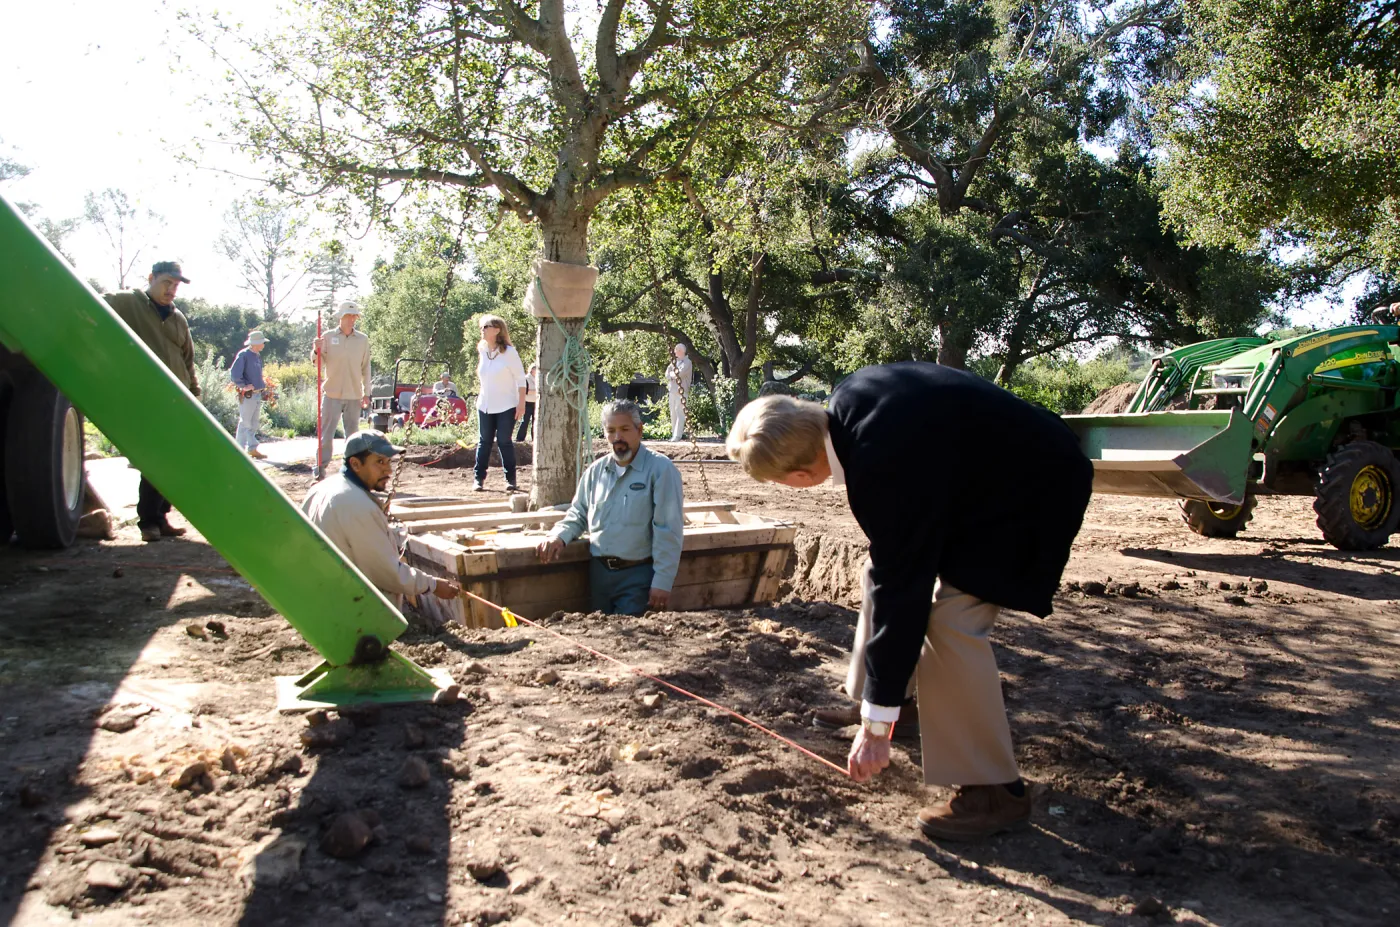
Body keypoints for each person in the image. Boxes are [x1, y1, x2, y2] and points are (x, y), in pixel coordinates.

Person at [725, 362, 1093, 841]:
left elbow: (906, 589)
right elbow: (896, 561)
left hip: (1036, 488)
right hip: (990, 475)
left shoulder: (880, 466)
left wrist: (876, 731)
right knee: (879, 569)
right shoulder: (850, 399)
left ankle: (994, 791)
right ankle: (890, 700)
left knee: (953, 617)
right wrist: (879, 704)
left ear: (799, 474)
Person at [537, 399, 684, 615]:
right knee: (601, 630)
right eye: (611, 431)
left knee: (629, 634)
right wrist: (558, 536)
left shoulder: (661, 470)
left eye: (625, 429)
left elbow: (668, 529)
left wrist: (663, 580)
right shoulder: (595, 472)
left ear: (639, 430)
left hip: (638, 577)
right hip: (599, 576)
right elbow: (578, 514)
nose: (618, 437)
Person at [301, 430, 461, 606]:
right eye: (379, 462)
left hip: (317, 597)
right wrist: (432, 585)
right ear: (355, 464)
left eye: (388, 461)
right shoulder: (357, 505)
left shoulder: (321, 489)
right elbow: (385, 571)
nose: (388, 470)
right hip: (347, 607)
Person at [104, 261, 200, 542]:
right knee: (155, 460)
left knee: (174, 461)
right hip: (146, 398)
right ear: (151, 278)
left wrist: (194, 394)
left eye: (176, 285)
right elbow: (88, 306)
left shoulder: (178, 318)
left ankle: (161, 516)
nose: (171, 290)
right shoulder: (127, 302)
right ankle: (148, 521)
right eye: (167, 283)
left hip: (178, 400)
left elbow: (188, 360)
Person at [312, 300, 371, 479]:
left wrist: (367, 393)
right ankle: (319, 470)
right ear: (341, 317)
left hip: (354, 394)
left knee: (353, 437)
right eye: (348, 316)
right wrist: (316, 350)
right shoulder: (327, 337)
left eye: (354, 316)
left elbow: (366, 368)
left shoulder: (363, 340)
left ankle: (351, 472)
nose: (352, 319)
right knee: (326, 436)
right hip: (332, 393)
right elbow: (317, 362)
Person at [472, 314, 527, 492]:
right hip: (485, 405)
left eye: (486, 326)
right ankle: (478, 479)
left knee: (504, 441)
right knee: (484, 442)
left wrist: (521, 404)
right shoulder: (482, 350)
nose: (482, 330)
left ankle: (510, 479)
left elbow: (521, 379)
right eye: (481, 327)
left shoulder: (509, 353)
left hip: (506, 405)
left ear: (497, 330)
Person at [230, 330, 269, 459]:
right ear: (256, 343)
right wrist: (244, 386)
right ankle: (239, 451)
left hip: (256, 394)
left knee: (254, 423)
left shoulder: (256, 355)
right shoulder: (244, 355)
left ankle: (252, 449)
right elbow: (235, 374)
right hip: (248, 395)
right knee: (245, 423)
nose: (263, 344)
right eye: (262, 342)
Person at [665, 343, 693, 441]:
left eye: (676, 350)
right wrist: (672, 374)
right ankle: (674, 434)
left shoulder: (687, 362)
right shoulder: (674, 362)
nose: (675, 352)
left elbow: (680, 373)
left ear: (681, 351)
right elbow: (667, 373)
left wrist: (672, 374)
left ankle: (677, 435)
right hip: (672, 390)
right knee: (673, 413)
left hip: (682, 391)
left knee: (680, 413)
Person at [516, 362, 538, 442]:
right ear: (532, 370)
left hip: (535, 403)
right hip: (527, 403)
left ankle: (534, 438)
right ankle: (520, 438)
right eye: (535, 369)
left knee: (535, 422)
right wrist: (536, 391)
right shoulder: (526, 379)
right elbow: (525, 391)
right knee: (525, 421)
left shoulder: (537, 379)